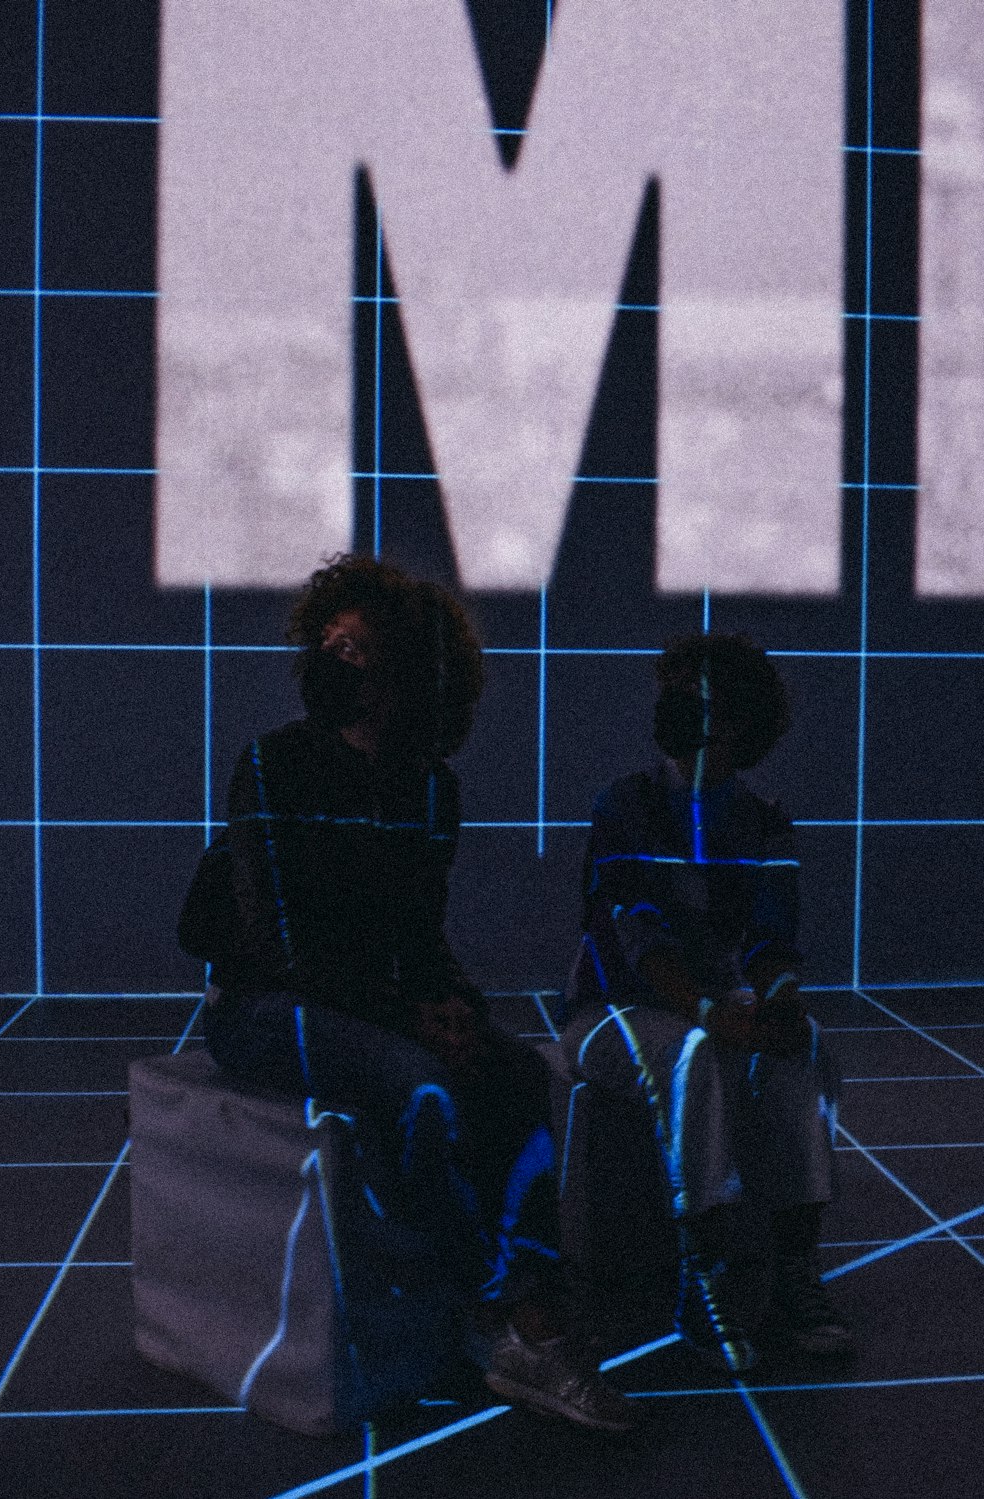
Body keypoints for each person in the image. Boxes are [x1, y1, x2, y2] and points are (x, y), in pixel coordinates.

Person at [178, 554, 632, 1432]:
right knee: (419, 1084)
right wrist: (409, 1017)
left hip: (367, 1005)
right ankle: (478, 1308)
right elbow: (277, 945)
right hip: (260, 1009)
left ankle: (532, 1316)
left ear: (402, 671)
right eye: (326, 642)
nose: (329, 660)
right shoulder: (271, 764)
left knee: (515, 1072)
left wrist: (456, 1005)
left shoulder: (431, 788)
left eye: (352, 648)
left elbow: (418, 935)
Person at [560, 631, 851, 1373]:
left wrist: (780, 1001)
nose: (679, 709)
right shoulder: (625, 804)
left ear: (739, 723)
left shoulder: (763, 819)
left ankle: (794, 1273)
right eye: (675, 693)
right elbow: (633, 929)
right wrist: (709, 1010)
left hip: (713, 1004)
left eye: (699, 698)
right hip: (607, 1012)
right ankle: (703, 1276)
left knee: (805, 1045)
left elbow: (774, 937)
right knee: (692, 1056)